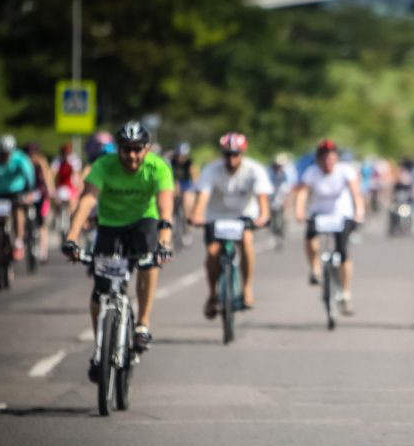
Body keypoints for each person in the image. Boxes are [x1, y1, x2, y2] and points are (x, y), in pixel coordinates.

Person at [62, 121, 174, 380]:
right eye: (126, 150)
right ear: (118, 149)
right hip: (110, 225)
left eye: (137, 149)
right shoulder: (104, 166)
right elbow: (87, 200)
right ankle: (100, 347)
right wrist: (71, 237)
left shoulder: (157, 167)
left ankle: (143, 323)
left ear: (146, 149)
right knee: (100, 289)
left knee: (149, 261)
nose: (132, 156)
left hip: (144, 221)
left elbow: (165, 206)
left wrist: (164, 242)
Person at [190, 132, 272, 316]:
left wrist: (264, 216)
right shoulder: (211, 170)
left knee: (247, 241)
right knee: (212, 252)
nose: (232, 159)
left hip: (243, 215)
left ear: (243, 153)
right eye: (227, 154)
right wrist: (196, 215)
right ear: (222, 154)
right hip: (216, 216)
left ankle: (247, 288)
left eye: (236, 154)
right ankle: (212, 295)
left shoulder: (254, 170)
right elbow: (202, 197)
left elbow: (263, 199)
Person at [294, 139, 364, 314]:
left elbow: (355, 192)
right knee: (310, 236)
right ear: (318, 160)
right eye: (324, 159)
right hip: (320, 213)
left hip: (342, 214)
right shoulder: (312, 172)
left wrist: (359, 211)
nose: (328, 163)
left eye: (331, 159)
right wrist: (299, 211)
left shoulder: (345, 171)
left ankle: (346, 294)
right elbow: (302, 193)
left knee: (343, 252)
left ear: (336, 159)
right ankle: (315, 269)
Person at [0, 134, 36, 262]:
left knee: (18, 210)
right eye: (2, 153)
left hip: (14, 191)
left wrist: (29, 192)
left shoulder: (20, 159)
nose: (5, 156)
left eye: (7, 153)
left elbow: (29, 175)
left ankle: (18, 241)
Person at [24, 142, 56, 262]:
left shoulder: (41, 162)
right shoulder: (23, 162)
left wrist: (50, 190)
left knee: (42, 224)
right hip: (27, 193)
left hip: (40, 193)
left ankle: (43, 251)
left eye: (33, 153)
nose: (31, 156)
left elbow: (47, 177)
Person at [170, 142, 199, 240]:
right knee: (171, 198)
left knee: (187, 200)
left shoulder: (190, 163)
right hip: (175, 183)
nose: (180, 158)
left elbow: (195, 178)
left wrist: (195, 189)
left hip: (187, 185)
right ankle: (172, 219)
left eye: (182, 156)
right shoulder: (172, 162)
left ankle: (187, 223)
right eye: (178, 155)